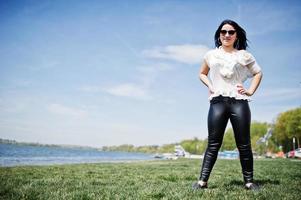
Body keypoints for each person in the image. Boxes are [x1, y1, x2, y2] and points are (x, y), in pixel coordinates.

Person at [193, 19, 263, 190]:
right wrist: (210, 86)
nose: (227, 35)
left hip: (239, 102)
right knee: (213, 143)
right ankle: (202, 181)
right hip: (217, 101)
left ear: (236, 35)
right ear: (219, 35)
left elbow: (258, 72)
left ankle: (249, 182)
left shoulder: (244, 55)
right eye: (223, 32)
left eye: (231, 32)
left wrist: (250, 91)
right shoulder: (211, 55)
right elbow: (202, 73)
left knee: (244, 144)